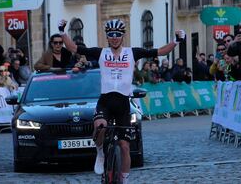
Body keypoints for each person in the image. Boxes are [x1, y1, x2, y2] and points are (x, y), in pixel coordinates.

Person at [59, 18, 185, 184]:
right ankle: (100, 154)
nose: (114, 37)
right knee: (100, 126)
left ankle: (124, 179)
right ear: (107, 37)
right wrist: (62, 31)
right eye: (111, 34)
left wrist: (176, 41)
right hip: (106, 100)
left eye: (118, 34)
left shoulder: (133, 52)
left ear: (123, 36)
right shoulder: (101, 52)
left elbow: (160, 52)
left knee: (125, 146)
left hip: (123, 104)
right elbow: (73, 48)